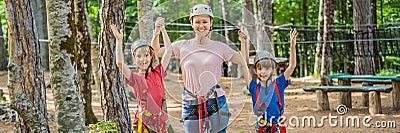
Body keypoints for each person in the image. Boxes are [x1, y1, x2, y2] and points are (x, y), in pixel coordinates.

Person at [151, 4, 251, 133]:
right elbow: (157, 51)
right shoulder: (182, 46)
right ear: (191, 23)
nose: (201, 25)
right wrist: (157, 32)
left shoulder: (219, 47)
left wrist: (244, 42)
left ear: (211, 23)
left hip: (215, 101)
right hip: (190, 101)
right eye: (197, 22)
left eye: (205, 21)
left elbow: (244, 60)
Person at [111, 17, 173, 133]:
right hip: (143, 124)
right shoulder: (135, 78)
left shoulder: (158, 73)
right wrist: (119, 41)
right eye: (138, 56)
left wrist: (162, 30)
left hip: (158, 123)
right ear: (134, 59)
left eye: (146, 55)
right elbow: (119, 63)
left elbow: (169, 51)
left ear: (151, 57)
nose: (143, 59)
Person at [241, 29, 298, 133]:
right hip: (262, 128)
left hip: (276, 127)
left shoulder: (279, 84)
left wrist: (292, 45)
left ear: (272, 70)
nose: (263, 72)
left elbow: (292, 66)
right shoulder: (254, 87)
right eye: (260, 68)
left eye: (267, 68)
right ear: (255, 71)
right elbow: (244, 66)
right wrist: (243, 43)